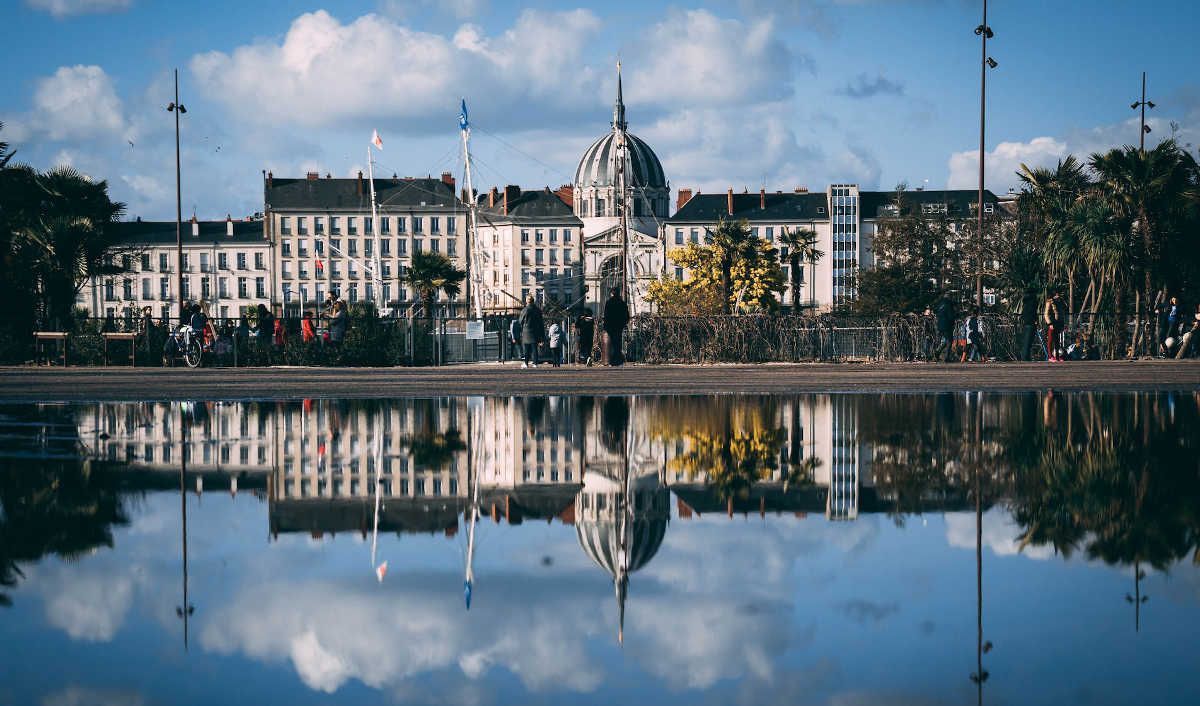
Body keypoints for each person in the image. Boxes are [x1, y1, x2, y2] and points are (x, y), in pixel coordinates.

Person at [602, 287, 630, 366]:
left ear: (612, 293)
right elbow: (626, 315)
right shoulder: (622, 302)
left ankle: (613, 361)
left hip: (610, 325)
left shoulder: (609, 302)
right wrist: (624, 323)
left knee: (612, 343)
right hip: (619, 325)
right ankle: (618, 361)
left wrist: (606, 325)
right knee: (617, 343)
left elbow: (606, 315)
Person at [518, 296, 544, 368]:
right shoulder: (538, 310)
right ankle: (535, 363)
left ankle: (526, 363)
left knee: (526, 349)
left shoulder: (525, 310)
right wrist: (542, 335)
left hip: (526, 331)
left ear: (527, 301)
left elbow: (520, 321)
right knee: (535, 348)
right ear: (533, 301)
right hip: (536, 331)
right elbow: (541, 323)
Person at [1018, 289, 1038, 361]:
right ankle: (1026, 357)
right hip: (1031, 323)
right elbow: (1033, 313)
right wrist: (1035, 320)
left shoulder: (1025, 303)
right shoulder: (1033, 303)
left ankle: (1025, 356)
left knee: (1026, 341)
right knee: (1028, 341)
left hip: (1026, 323)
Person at [1043, 292, 1064, 361]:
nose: (1058, 296)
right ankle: (1050, 356)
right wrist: (1049, 323)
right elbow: (1046, 314)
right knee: (1050, 340)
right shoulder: (1049, 302)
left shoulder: (1059, 302)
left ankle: (1057, 356)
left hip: (1058, 323)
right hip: (1052, 323)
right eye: (1057, 294)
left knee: (1057, 340)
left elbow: (1060, 313)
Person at [934, 297, 956, 363]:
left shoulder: (941, 304)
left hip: (940, 325)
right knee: (949, 341)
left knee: (947, 340)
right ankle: (946, 357)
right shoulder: (949, 304)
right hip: (947, 325)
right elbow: (950, 316)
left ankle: (938, 351)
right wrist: (955, 317)